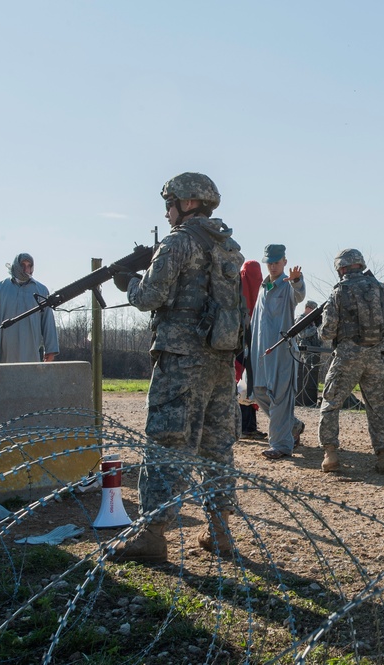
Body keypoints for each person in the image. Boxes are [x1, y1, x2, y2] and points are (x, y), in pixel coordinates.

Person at [106, 172, 244, 563]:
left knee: (166, 443)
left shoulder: (179, 241)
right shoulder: (229, 247)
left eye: (170, 204)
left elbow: (151, 296)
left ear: (186, 204)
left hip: (181, 362)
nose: (167, 213)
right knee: (217, 448)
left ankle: (151, 535)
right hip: (219, 361)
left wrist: (128, 283)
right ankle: (220, 531)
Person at [317, 249, 384, 474]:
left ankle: (330, 453)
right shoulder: (378, 287)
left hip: (348, 356)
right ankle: (383, 456)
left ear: (341, 268)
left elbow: (327, 332)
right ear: (360, 265)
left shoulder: (338, 292)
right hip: (375, 355)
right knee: (378, 405)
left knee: (331, 402)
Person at [249, 244, 307, 460]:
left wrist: (297, 281)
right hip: (261, 353)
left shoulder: (287, 285)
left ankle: (281, 445)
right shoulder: (263, 288)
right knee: (259, 390)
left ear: (284, 261)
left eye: (276, 262)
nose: (273, 266)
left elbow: (299, 295)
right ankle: (292, 425)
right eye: (270, 263)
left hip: (282, 352)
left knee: (281, 397)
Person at [0, 253, 59, 363]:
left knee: (28, 378)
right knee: (1, 378)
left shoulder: (41, 290)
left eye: (29, 265)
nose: (26, 269)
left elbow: (47, 321)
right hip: (3, 349)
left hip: (29, 348)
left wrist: (50, 349)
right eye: (22, 265)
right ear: (16, 266)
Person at [237, 260, 264, 439]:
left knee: (243, 382)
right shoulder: (263, 287)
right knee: (248, 382)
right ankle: (246, 426)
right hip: (254, 339)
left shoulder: (239, 284)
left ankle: (247, 426)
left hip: (240, 340)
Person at [295, 300, 323, 407]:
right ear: (308, 308)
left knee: (313, 376)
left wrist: (319, 325)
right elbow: (302, 334)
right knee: (304, 375)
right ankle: (302, 400)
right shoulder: (301, 319)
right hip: (305, 351)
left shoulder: (313, 321)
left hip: (315, 350)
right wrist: (315, 328)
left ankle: (311, 400)